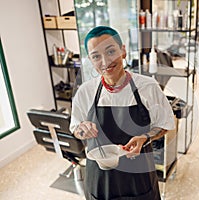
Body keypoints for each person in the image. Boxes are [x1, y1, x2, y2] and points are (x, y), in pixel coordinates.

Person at [69, 26, 175, 200]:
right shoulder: (85, 91)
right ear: (90, 60)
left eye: (110, 51)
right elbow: (75, 128)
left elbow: (164, 124)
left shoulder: (147, 87)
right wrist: (82, 129)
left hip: (139, 176)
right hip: (100, 178)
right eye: (96, 56)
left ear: (123, 51)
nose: (105, 62)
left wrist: (145, 138)